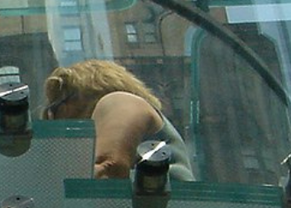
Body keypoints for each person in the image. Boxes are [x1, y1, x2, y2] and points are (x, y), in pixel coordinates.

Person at [42, 59, 195, 181]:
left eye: (55, 108)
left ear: (80, 97)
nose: (53, 119)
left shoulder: (119, 101)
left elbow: (107, 169)